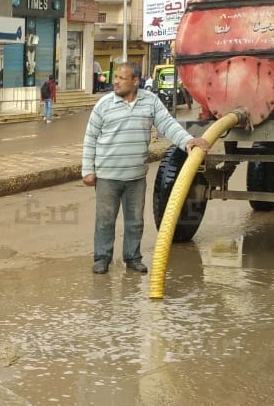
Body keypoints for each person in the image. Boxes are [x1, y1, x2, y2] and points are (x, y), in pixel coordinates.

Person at [82, 62, 209, 276]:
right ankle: (102, 258)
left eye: (122, 78)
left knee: (135, 221)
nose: (116, 82)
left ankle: (132, 257)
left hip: (136, 177)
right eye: (116, 78)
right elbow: (90, 138)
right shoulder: (103, 105)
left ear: (135, 81)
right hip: (107, 176)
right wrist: (88, 170)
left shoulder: (150, 102)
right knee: (105, 220)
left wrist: (189, 141)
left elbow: (168, 125)